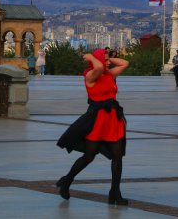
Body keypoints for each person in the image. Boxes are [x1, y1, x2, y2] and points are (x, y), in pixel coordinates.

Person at [56, 49, 130, 205]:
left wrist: (107, 58)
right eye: (105, 59)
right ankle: (67, 181)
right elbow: (98, 68)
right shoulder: (90, 76)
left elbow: (125, 63)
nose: (108, 62)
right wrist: (91, 57)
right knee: (89, 156)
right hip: (97, 120)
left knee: (117, 156)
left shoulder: (109, 74)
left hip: (112, 119)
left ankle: (115, 192)